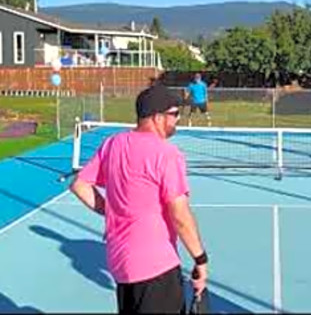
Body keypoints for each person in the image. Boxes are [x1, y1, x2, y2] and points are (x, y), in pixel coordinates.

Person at [69, 84, 209, 314]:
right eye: (174, 114)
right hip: (157, 267)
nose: (177, 120)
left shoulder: (112, 144)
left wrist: (110, 210)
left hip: (121, 265)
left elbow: (79, 185)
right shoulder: (167, 154)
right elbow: (180, 215)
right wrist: (200, 259)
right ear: (158, 117)